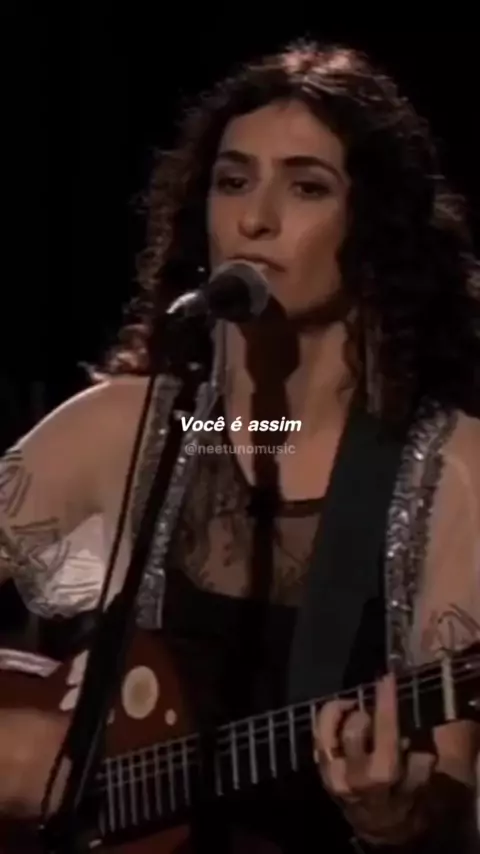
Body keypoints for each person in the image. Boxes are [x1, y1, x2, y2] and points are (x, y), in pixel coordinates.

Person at [1, 38, 480, 852]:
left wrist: (397, 818)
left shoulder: (452, 471)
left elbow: (449, 799)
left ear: (374, 227)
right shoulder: (125, 430)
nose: (254, 219)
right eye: (233, 181)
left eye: (306, 186)